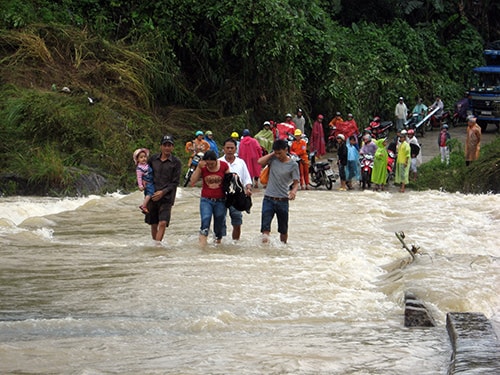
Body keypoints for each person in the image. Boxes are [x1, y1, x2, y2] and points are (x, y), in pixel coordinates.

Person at [257, 139, 300, 244]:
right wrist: (273, 153)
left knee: (283, 229)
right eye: (276, 153)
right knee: (265, 228)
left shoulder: (293, 165)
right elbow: (260, 162)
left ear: (286, 150)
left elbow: (296, 182)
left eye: (280, 153)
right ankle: (265, 249)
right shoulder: (273, 160)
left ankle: (283, 249)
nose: (278, 156)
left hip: (283, 200)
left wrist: (293, 191)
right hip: (268, 199)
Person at [190, 150, 231, 246]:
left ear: (216, 160)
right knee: (205, 220)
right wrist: (198, 168)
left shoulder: (224, 166)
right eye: (208, 164)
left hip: (221, 200)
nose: (210, 166)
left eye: (212, 163)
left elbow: (229, 181)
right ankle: (202, 247)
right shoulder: (202, 167)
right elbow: (192, 181)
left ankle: (218, 243)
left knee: (219, 223)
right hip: (206, 199)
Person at [145, 135, 182, 242]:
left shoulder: (176, 162)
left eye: (169, 145)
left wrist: (162, 192)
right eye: (165, 145)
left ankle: (157, 245)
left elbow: (175, 182)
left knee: (163, 222)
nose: (167, 148)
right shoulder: (152, 159)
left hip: (167, 197)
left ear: (172, 147)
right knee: (153, 223)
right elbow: (146, 174)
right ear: (161, 146)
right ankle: (155, 244)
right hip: (152, 195)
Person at [219, 138, 253, 240]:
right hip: (221, 196)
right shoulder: (218, 162)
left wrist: (248, 189)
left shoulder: (241, 162)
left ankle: (235, 243)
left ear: (235, 149)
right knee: (220, 220)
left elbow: (247, 179)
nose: (229, 150)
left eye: (232, 148)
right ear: (223, 149)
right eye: (227, 148)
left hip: (237, 196)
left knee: (237, 221)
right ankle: (221, 241)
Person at [133, 148, 154, 214]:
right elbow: (139, 177)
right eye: (141, 157)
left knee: (149, 193)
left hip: (151, 181)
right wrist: (140, 185)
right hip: (148, 183)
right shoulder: (139, 168)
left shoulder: (147, 165)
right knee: (150, 193)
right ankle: (144, 206)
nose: (144, 158)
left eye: (145, 157)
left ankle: (146, 205)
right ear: (138, 159)